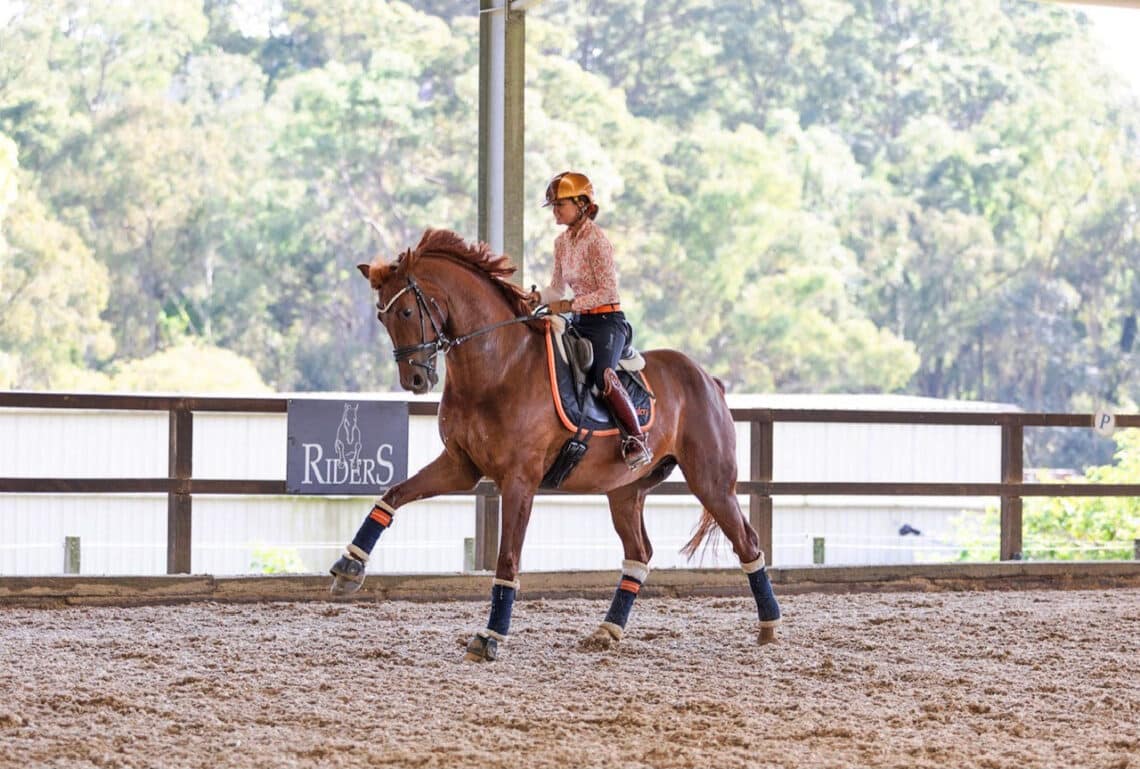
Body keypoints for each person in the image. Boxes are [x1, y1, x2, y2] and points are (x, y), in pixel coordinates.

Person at [527, 171, 652, 470]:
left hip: (607, 322)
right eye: (553, 206)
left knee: (602, 375)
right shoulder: (561, 243)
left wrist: (568, 304)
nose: (555, 211)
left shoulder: (598, 241)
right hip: (579, 320)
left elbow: (608, 291)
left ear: (582, 204)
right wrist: (536, 298)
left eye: (560, 205)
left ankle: (635, 439)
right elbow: (556, 288)